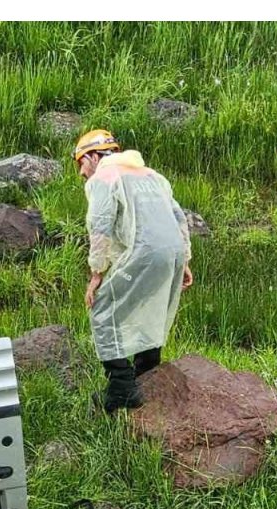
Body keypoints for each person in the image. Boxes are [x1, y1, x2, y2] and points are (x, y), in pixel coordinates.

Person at [73, 129, 193, 412]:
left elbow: (100, 225)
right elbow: (178, 217)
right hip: (172, 251)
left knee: (103, 310)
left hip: (146, 251)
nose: (81, 174)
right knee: (146, 304)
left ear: (92, 156)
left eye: (81, 165)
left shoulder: (104, 177)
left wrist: (96, 274)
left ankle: (121, 388)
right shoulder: (151, 175)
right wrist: (183, 260)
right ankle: (147, 373)